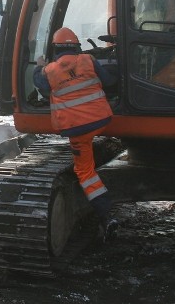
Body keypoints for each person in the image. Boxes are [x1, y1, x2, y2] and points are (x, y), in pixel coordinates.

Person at [43, 27, 119, 241]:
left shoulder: (49, 71)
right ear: (76, 47)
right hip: (102, 120)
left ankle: (106, 216)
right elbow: (109, 82)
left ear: (55, 49)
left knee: (85, 173)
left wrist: (40, 67)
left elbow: (40, 86)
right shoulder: (88, 60)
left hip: (77, 129)